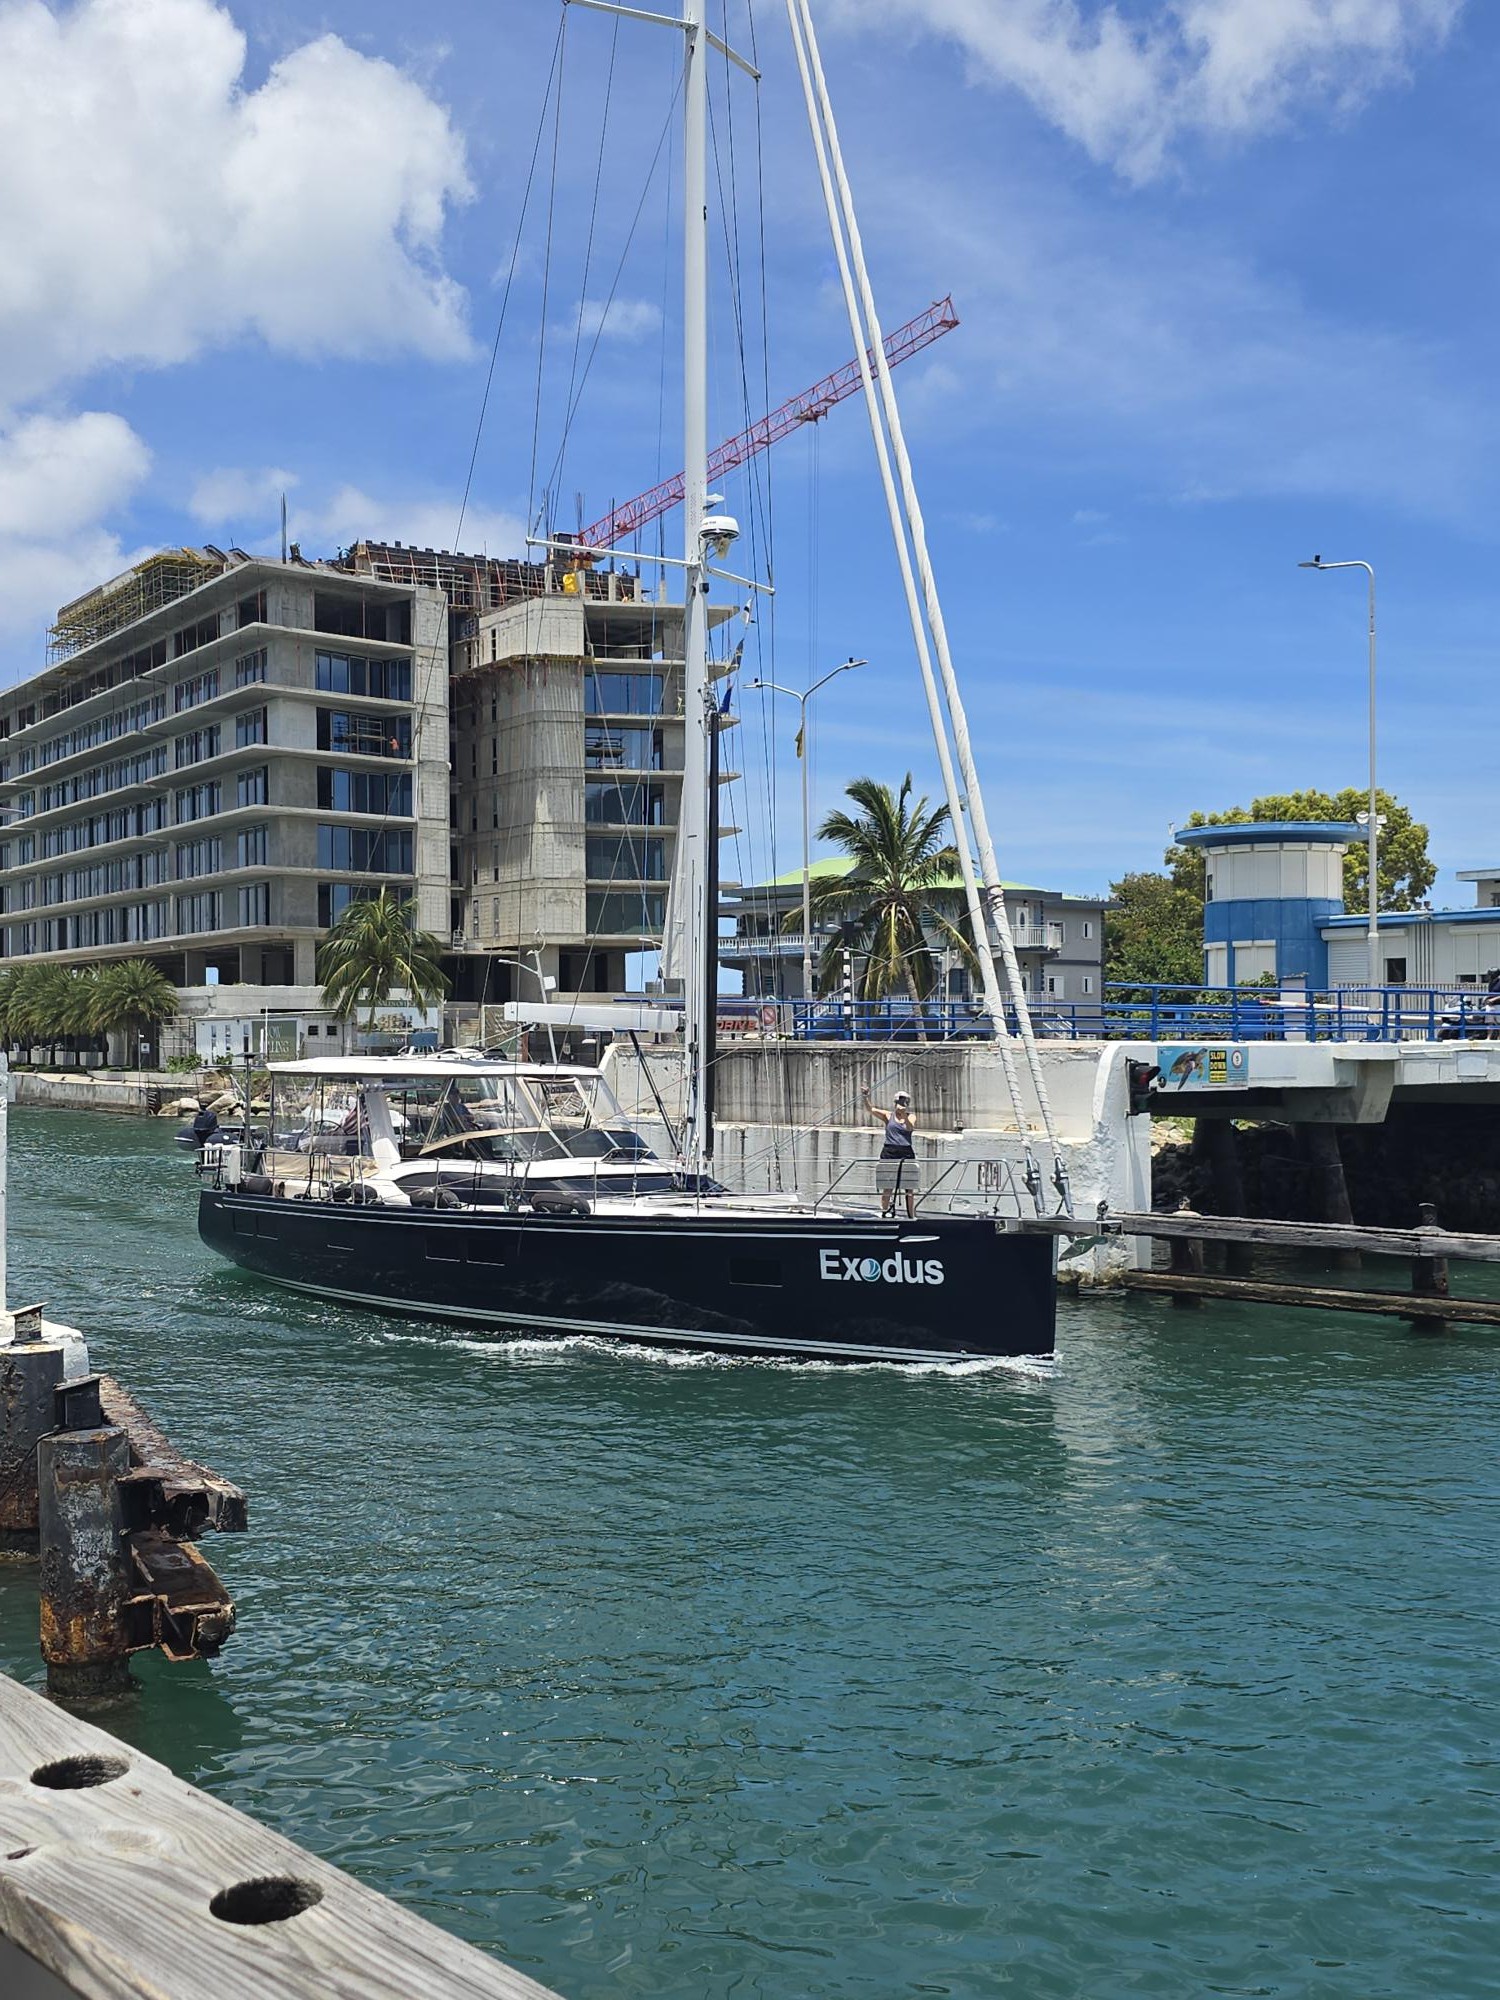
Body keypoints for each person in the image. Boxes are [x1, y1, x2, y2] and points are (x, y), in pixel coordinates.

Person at [862, 1083, 919, 1220]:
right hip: (890, 1150)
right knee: (887, 1186)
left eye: (904, 1101)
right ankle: (884, 1212)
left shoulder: (911, 1116)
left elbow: (910, 1128)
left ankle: (911, 1215)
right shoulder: (888, 1115)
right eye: (900, 1101)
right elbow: (871, 1109)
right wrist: (865, 1097)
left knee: (909, 1188)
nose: (902, 1103)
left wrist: (904, 1115)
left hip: (906, 1151)